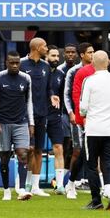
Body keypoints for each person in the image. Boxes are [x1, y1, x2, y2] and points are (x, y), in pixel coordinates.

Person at [0, 51, 34, 200]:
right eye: (12, 63)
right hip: (3, 123)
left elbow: (29, 102)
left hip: (21, 122)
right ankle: (6, 189)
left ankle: (21, 189)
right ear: (6, 63)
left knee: (23, 154)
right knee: (5, 158)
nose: (15, 65)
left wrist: (31, 123)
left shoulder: (26, 78)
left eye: (17, 63)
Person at [80, 51, 110, 210]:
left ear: (92, 63)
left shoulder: (89, 81)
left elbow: (83, 108)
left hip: (93, 130)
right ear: (108, 63)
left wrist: (87, 112)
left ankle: (96, 200)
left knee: (91, 165)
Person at [20, 37, 59, 197]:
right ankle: (23, 185)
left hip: (42, 113)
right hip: (25, 115)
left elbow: (49, 87)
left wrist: (52, 96)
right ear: (36, 48)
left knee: (38, 150)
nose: (46, 49)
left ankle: (35, 186)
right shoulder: (21, 64)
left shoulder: (45, 66)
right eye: (44, 46)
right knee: (26, 150)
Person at [63, 42, 94, 198]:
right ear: (82, 55)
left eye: (93, 52)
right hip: (77, 117)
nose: (92, 55)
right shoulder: (74, 72)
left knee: (94, 150)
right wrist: (71, 113)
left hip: (94, 118)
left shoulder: (98, 71)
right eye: (89, 52)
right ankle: (72, 183)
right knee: (77, 149)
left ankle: (92, 181)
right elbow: (68, 94)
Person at [46, 46, 66, 194]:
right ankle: (29, 184)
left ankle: (59, 185)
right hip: (39, 114)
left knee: (58, 148)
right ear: (46, 56)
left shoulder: (60, 74)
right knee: (34, 150)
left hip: (55, 116)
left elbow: (64, 95)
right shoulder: (40, 71)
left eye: (57, 56)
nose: (56, 59)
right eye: (53, 56)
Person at [57, 44, 78, 173]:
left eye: (72, 52)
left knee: (76, 147)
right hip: (64, 113)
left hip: (79, 113)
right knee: (65, 144)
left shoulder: (79, 70)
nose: (70, 54)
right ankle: (61, 176)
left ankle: (74, 175)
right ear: (63, 54)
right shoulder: (59, 70)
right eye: (68, 52)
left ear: (76, 54)